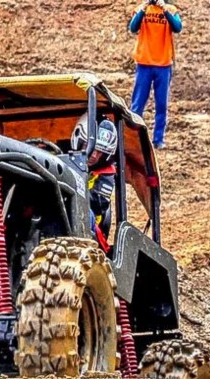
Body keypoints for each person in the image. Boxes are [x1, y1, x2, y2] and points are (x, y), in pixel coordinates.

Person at [128, 0, 183, 149]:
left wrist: (164, 9)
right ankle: (133, 137)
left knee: (161, 104)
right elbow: (133, 27)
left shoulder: (171, 9)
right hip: (144, 63)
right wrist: (143, 8)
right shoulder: (142, 9)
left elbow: (178, 27)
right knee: (138, 103)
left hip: (163, 64)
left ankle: (158, 139)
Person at [72, 114, 119, 251]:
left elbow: (97, 202)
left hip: (89, 227)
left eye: (100, 152)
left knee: (83, 210)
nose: (93, 155)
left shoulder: (107, 174)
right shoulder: (60, 157)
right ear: (79, 141)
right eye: (89, 146)